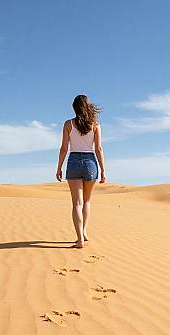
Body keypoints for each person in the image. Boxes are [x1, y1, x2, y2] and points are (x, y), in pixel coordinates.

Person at [56, 95, 106, 248]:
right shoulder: (95, 125)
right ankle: (84, 231)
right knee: (87, 201)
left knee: (76, 204)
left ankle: (79, 239)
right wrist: (103, 170)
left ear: (75, 108)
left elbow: (64, 148)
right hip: (91, 162)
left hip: (73, 161)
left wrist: (59, 167)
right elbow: (98, 149)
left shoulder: (68, 124)